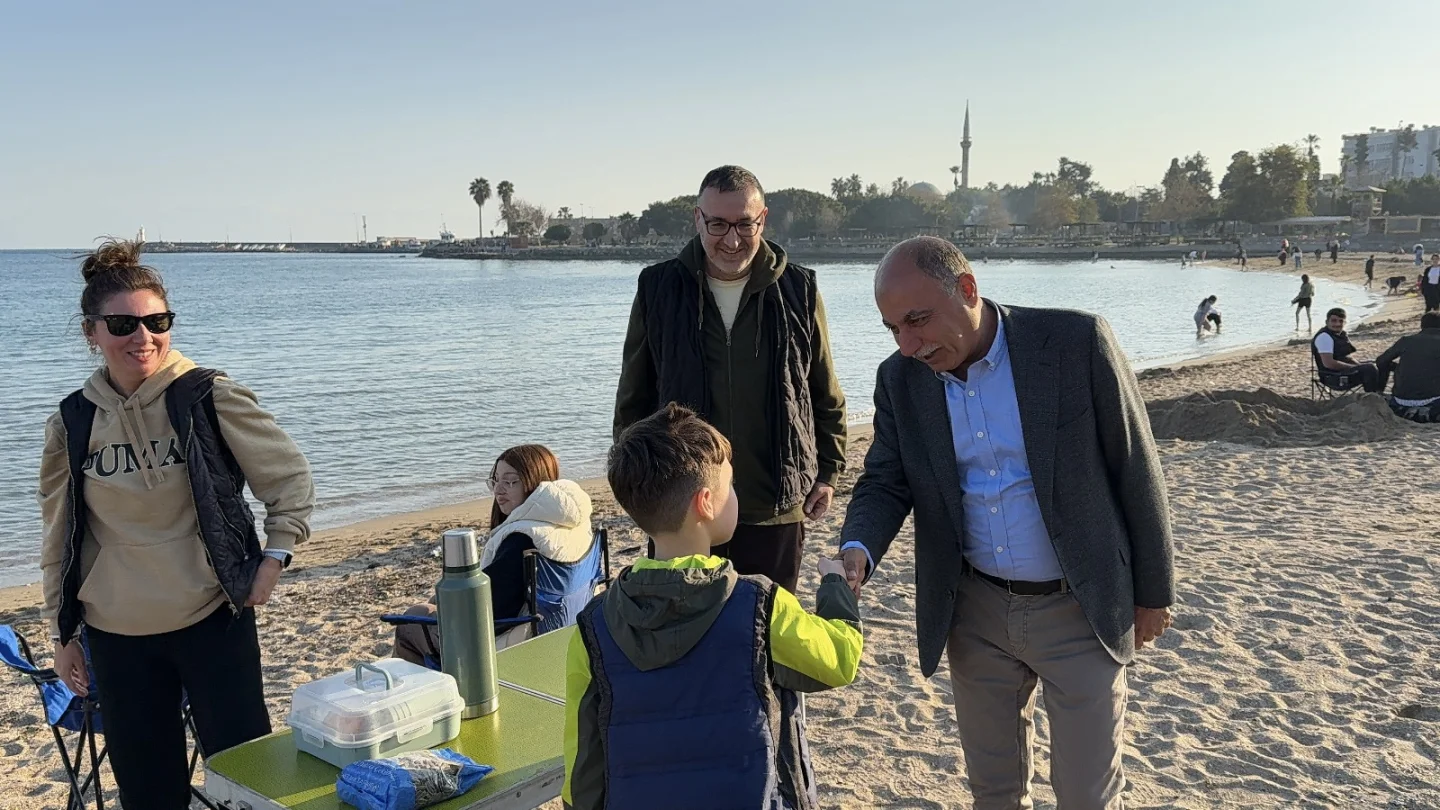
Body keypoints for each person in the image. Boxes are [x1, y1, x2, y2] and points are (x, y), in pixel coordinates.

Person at [838, 236, 1174, 810]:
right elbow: (886, 479)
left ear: (967, 289)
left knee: (1087, 796)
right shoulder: (900, 379)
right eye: (894, 328)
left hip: (1081, 607)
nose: (909, 344)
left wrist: (1153, 592)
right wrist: (858, 546)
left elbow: (1135, 467)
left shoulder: (1075, 342)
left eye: (918, 320)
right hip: (973, 612)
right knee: (993, 792)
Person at [37, 239, 314, 810]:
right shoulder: (73, 420)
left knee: (248, 779)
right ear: (92, 332)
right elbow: (58, 536)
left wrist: (275, 557)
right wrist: (61, 632)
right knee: (147, 791)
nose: (143, 336)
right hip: (116, 634)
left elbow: (288, 480)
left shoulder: (208, 396)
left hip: (212, 618)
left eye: (156, 320)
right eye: (123, 324)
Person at [564, 404, 862, 810]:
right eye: (731, 486)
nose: (734, 496)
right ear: (705, 503)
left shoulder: (593, 627)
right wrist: (835, 588)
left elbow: (582, 767)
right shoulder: (759, 605)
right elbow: (838, 660)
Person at [613, 165, 848, 593]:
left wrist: (829, 471)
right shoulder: (658, 287)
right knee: (683, 640)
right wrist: (635, 485)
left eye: (745, 224)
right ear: (697, 219)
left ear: (763, 219)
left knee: (768, 635)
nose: (732, 239)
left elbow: (823, 390)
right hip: (683, 505)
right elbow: (634, 397)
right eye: (718, 224)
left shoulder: (800, 289)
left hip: (773, 499)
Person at [392, 444, 593, 664]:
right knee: (434, 602)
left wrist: (445, 606)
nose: (498, 490)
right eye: (496, 480)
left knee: (412, 620)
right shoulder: (574, 526)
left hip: (513, 642)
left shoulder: (522, 539)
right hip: (563, 627)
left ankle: (431, 691)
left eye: (510, 481)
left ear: (534, 482)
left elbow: (489, 613)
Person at [1376, 313, 1440, 422]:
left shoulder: (1406, 340)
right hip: (1433, 398)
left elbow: (1380, 361)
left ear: (1421, 326)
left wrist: (1398, 368)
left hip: (1400, 399)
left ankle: (1379, 392)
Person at [1312, 307, 1384, 392]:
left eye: (1341, 321)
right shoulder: (1324, 337)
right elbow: (1329, 364)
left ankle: (1379, 394)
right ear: (1327, 322)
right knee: (1369, 369)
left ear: (1345, 322)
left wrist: (1358, 365)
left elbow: (1345, 357)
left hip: (1343, 372)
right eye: (1334, 321)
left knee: (1383, 363)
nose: (1337, 324)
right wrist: (1355, 367)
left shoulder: (1340, 334)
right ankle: (1372, 397)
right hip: (1332, 377)